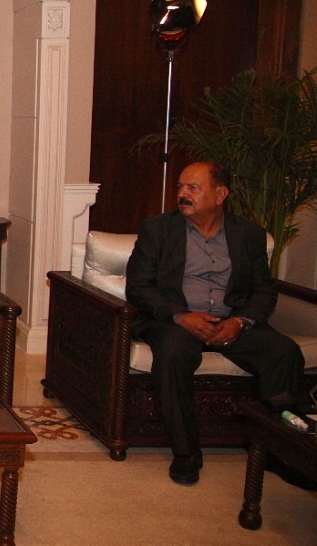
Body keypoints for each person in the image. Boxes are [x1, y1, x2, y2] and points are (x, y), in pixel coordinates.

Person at [126, 161, 307, 486]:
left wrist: (240, 321)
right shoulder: (158, 230)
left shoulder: (248, 235)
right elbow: (138, 287)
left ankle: (276, 451)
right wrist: (181, 316)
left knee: (284, 352)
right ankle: (186, 454)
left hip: (229, 320)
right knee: (172, 354)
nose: (183, 194)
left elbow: (264, 291)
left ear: (220, 195)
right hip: (175, 320)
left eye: (193, 188)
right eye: (180, 187)